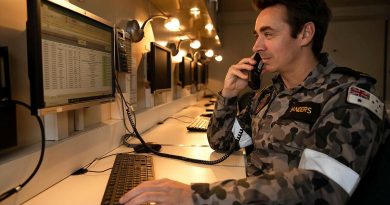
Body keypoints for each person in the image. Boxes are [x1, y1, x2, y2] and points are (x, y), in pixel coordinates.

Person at [119, 0, 389, 204]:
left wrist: (196, 196)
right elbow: (223, 142)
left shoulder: (349, 96)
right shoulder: (267, 97)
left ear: (305, 34)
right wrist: (228, 94)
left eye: (268, 34)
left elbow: (322, 187)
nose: (256, 46)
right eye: (256, 35)